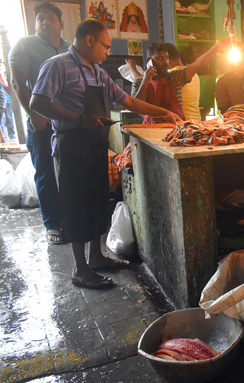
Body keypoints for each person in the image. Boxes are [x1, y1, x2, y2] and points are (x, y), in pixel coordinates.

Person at [29, 19, 181, 290]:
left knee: (98, 201)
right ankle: (80, 269)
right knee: (77, 206)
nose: (108, 53)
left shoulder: (98, 73)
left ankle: (97, 258)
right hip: (71, 145)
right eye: (106, 46)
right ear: (90, 40)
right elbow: (37, 102)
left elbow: (129, 101)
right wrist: (79, 119)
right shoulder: (58, 65)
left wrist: (163, 112)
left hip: (95, 145)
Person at [9, 2, 70, 244]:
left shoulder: (69, 48)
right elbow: (17, 84)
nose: (45, 22)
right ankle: (53, 224)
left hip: (68, 122)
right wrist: (34, 114)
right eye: (40, 19)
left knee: (68, 173)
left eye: (50, 18)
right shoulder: (25, 45)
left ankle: (71, 218)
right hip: (42, 121)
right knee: (45, 172)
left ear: (61, 23)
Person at [129, 39, 229, 122]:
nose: (165, 62)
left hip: (174, 130)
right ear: (149, 60)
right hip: (150, 132)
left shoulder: (175, 77)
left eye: (167, 58)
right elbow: (136, 107)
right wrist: (145, 83)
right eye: (160, 58)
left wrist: (218, 47)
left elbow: (198, 64)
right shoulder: (139, 81)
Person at [164, 43, 201, 121]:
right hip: (196, 120)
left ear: (168, 60)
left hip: (182, 122)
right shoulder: (194, 75)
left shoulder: (174, 74)